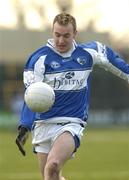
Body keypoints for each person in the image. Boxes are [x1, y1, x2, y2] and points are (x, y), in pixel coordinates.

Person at [15, 13, 129, 180]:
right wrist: (25, 126)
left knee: (52, 166)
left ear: (75, 33)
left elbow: (117, 64)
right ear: (52, 32)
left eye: (66, 36)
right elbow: (32, 96)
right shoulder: (38, 59)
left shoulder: (89, 52)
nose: (61, 40)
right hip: (43, 124)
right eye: (57, 35)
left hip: (71, 123)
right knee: (51, 176)